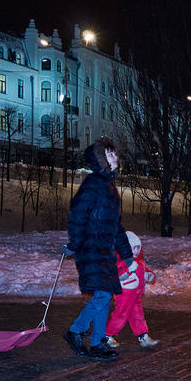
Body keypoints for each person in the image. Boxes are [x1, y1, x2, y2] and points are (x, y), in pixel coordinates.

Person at [61, 137, 136, 361]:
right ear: (101, 159)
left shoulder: (110, 189)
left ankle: (97, 343)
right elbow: (77, 215)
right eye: (110, 153)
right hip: (90, 248)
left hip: (105, 250)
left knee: (105, 294)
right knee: (103, 294)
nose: (116, 157)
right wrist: (75, 244)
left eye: (115, 153)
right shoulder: (93, 183)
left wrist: (127, 256)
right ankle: (75, 331)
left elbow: (117, 227)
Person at [102, 231, 158, 350]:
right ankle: (108, 335)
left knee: (138, 315)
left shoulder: (139, 261)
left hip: (136, 294)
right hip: (124, 293)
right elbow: (117, 274)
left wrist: (149, 276)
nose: (136, 251)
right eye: (134, 248)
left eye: (138, 248)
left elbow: (144, 272)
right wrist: (128, 271)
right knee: (120, 314)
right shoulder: (121, 260)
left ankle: (143, 336)